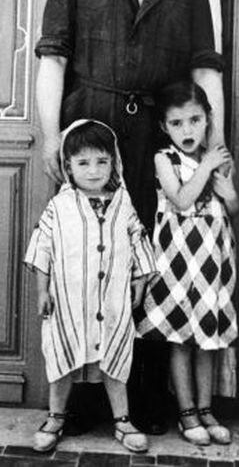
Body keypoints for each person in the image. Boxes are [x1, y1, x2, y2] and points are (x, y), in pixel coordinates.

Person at [34, 0, 225, 433]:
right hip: (92, 136)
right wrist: (51, 135)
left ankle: (143, 401)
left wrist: (211, 151)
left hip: (160, 144)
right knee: (86, 260)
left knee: (149, 263)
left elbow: (206, 71)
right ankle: (76, 406)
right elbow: (54, 61)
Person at [25, 119, 157, 453]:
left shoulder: (122, 203)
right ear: (68, 165)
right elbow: (43, 247)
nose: (94, 171)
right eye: (83, 163)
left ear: (114, 162)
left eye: (102, 161)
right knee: (62, 359)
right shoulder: (60, 205)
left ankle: (123, 421)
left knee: (114, 359)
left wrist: (140, 280)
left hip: (112, 300)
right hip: (68, 301)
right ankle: (55, 417)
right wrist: (42, 291)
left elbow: (138, 239)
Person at [135, 80, 239, 446]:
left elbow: (232, 209)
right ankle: (186, 411)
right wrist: (207, 166)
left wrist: (229, 193)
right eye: (177, 123)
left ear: (208, 120)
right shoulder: (165, 159)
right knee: (180, 337)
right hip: (177, 262)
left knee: (207, 339)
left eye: (195, 120)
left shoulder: (218, 159)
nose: (188, 130)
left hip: (211, 259)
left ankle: (207, 409)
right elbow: (181, 200)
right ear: (165, 127)